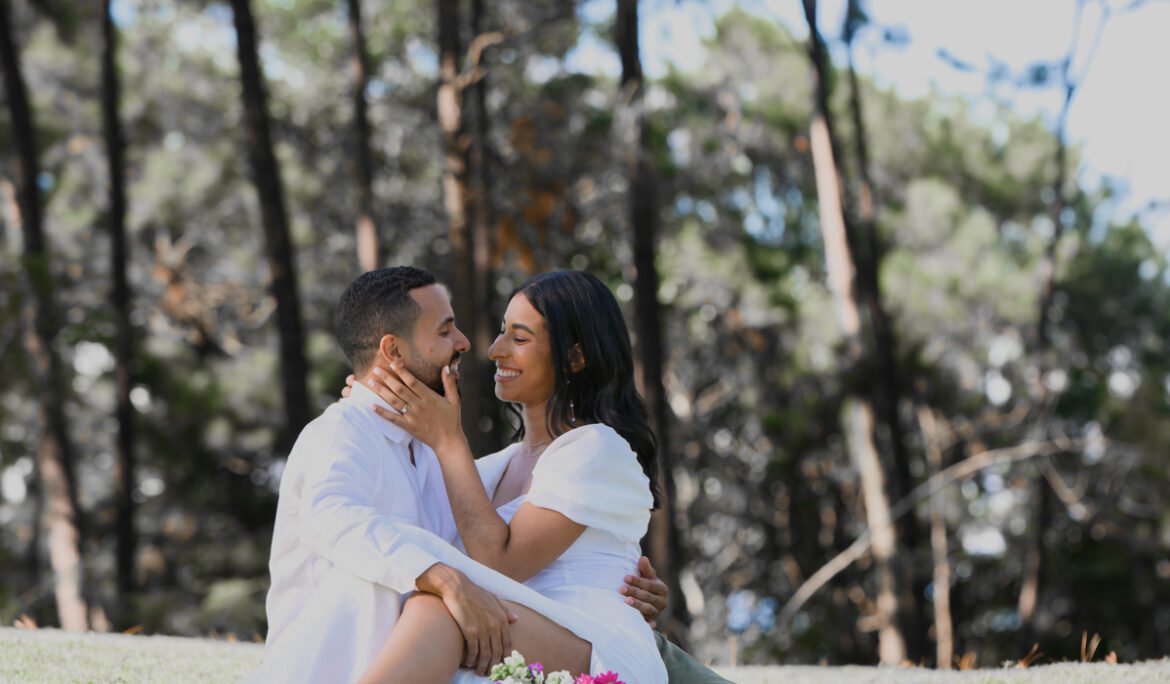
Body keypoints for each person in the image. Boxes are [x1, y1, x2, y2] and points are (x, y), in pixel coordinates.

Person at [246, 267, 678, 683]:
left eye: (519, 337)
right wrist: (373, 410)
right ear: (392, 352)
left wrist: (448, 440)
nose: (492, 349)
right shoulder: (483, 470)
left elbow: (500, 563)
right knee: (438, 603)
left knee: (441, 608)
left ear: (575, 357)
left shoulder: (595, 447)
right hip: (507, 632)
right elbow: (356, 522)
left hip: (590, 641)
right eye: (504, 330)